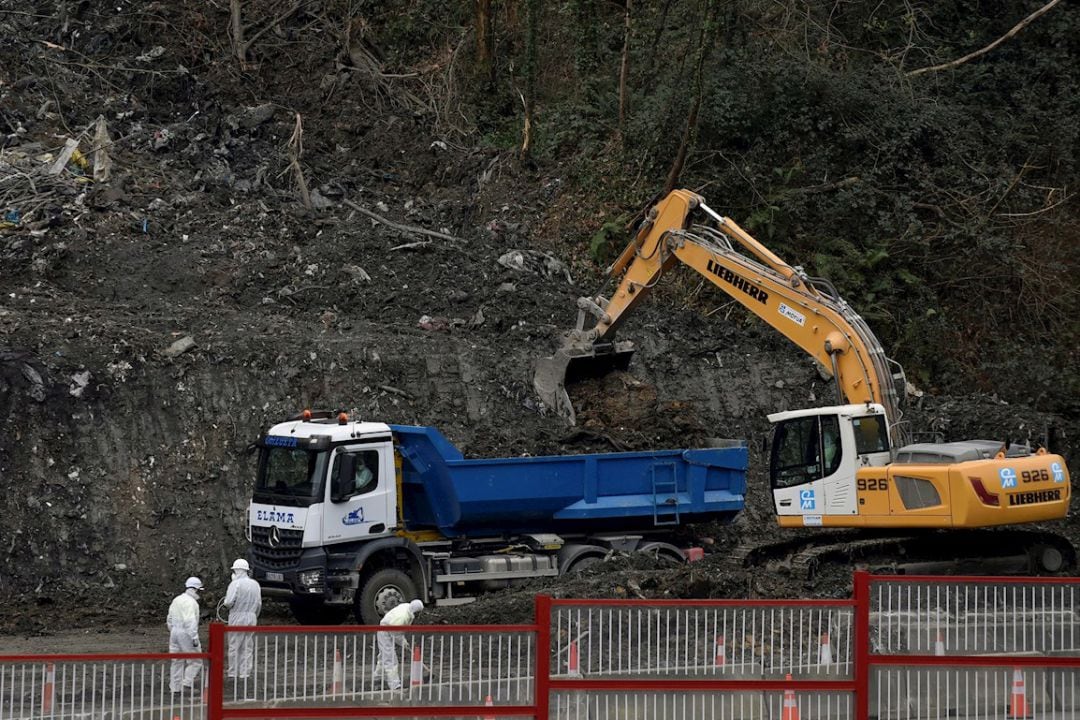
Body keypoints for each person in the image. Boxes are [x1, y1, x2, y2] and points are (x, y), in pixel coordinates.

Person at [224, 558, 262, 680]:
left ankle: (233, 672)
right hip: (251, 617)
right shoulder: (255, 584)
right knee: (247, 645)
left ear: (237, 570)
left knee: (235, 645)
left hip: (237, 616)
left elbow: (228, 602)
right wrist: (254, 615)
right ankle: (245, 672)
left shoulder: (235, 584)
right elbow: (259, 604)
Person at [374, 599, 423, 690]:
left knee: (383, 656)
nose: (419, 615)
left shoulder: (408, 608)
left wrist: (403, 641)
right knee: (390, 659)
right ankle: (395, 685)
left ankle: (377, 678)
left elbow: (398, 631)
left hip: (389, 628)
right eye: (419, 613)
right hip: (385, 631)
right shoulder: (403, 617)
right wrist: (403, 642)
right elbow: (395, 633)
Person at [167, 576, 204, 693]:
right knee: (196, 660)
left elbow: (169, 618)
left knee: (176, 660)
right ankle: (186, 684)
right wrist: (194, 637)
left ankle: (175, 687)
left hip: (174, 631)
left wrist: (173, 630)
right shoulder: (191, 602)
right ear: (196, 589)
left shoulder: (177, 599)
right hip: (186, 632)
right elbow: (190, 621)